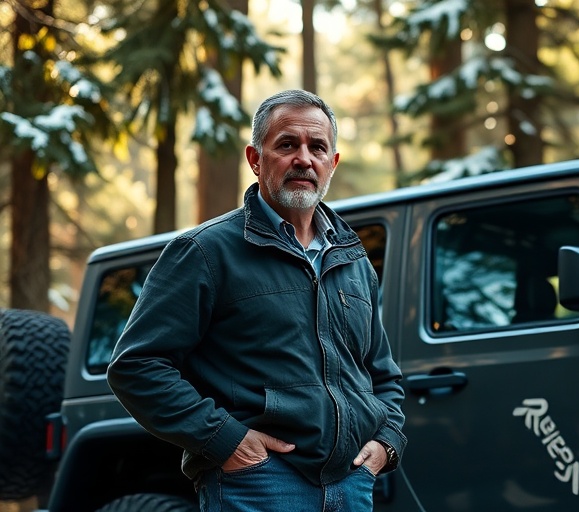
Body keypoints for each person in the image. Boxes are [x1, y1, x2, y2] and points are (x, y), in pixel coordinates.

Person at [107, 89, 406, 512]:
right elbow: (136, 366)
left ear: (332, 163)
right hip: (259, 483)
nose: (304, 158)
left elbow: (383, 376)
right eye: (287, 145)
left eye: (317, 147)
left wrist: (386, 445)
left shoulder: (353, 260)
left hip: (352, 485)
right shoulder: (205, 252)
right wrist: (229, 442)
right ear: (255, 159)